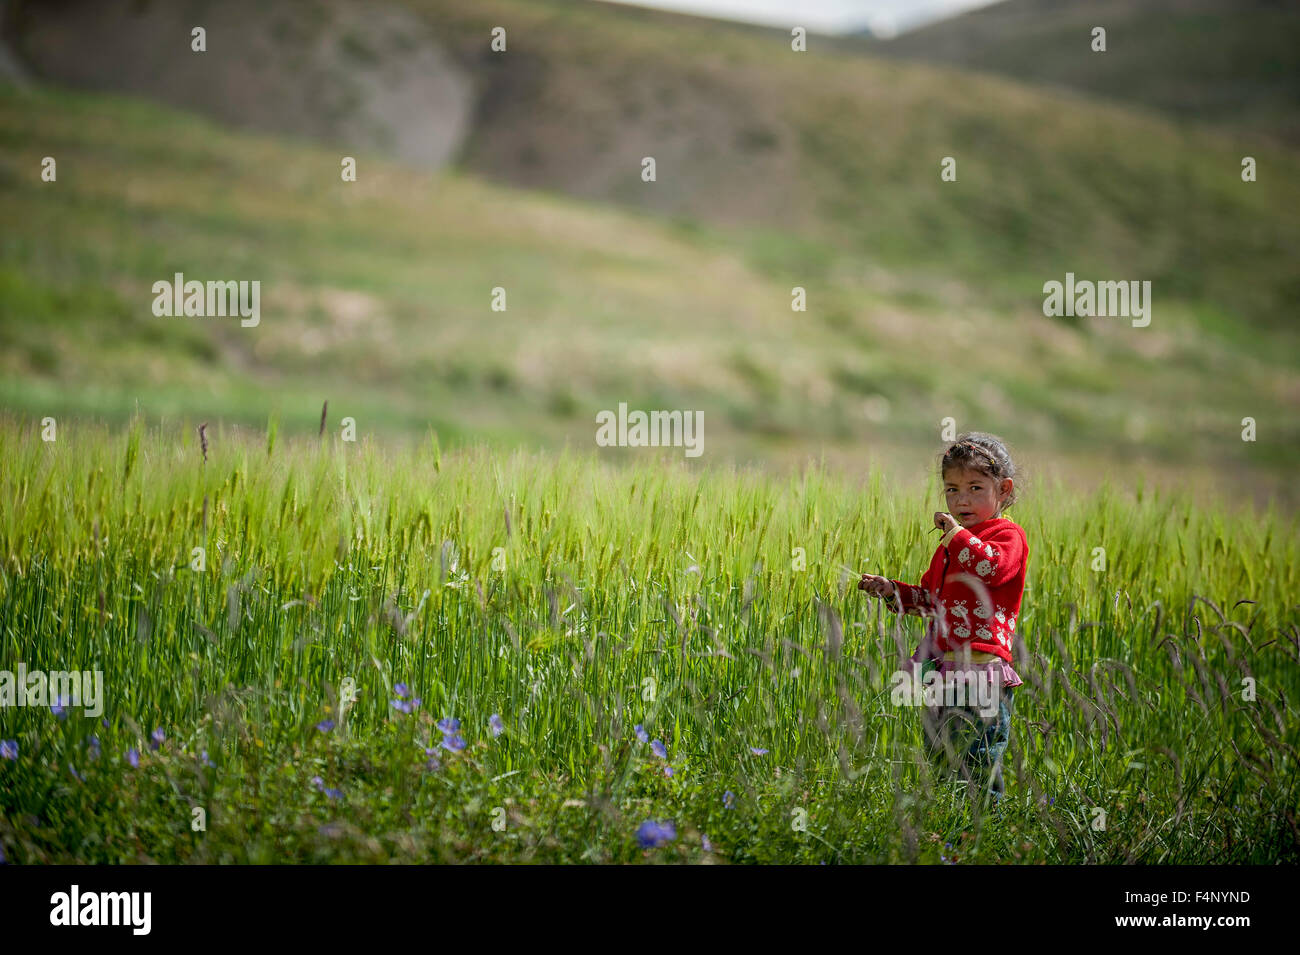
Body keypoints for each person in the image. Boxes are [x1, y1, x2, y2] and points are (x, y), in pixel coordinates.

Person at [859, 432, 1028, 807]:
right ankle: (947, 834)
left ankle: (985, 836)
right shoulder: (951, 547)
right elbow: (930, 601)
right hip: (943, 671)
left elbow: (991, 567)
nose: (961, 499)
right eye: (951, 490)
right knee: (941, 758)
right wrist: (892, 590)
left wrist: (955, 536)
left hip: (983, 672)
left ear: (1003, 489)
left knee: (980, 758)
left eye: (974, 487)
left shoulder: (1007, 536)